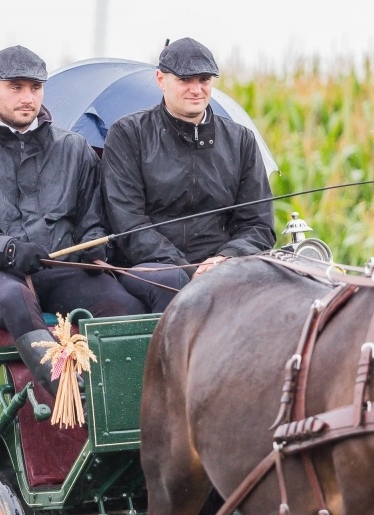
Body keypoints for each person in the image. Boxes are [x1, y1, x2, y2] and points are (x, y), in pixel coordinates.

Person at [0, 45, 145, 397]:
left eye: (35, 87)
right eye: (16, 88)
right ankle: (66, 392)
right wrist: (9, 250)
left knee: (123, 304)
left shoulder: (74, 149)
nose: (27, 98)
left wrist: (96, 249)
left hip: (59, 268)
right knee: (15, 298)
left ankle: (127, 398)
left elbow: (92, 220)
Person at [101, 37, 276, 312]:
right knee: (173, 280)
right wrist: (186, 267)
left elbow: (259, 225)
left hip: (222, 264)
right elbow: (128, 224)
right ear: (161, 79)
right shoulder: (128, 133)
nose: (196, 90)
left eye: (204, 79)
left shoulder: (241, 140)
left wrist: (226, 257)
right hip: (152, 268)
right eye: (185, 80)